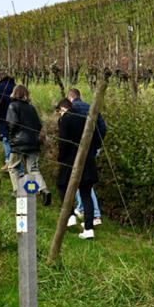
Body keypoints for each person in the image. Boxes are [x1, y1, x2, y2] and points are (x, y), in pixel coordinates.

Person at [56, 98, 97, 239]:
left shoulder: (65, 120)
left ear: (62, 108)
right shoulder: (86, 118)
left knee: (62, 186)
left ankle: (71, 215)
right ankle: (89, 229)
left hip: (70, 161)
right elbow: (96, 138)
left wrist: (60, 157)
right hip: (88, 161)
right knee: (86, 194)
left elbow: (63, 142)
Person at [67, 88, 106, 226]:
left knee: (83, 181)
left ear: (70, 97)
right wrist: (96, 145)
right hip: (92, 149)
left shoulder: (70, 109)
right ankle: (82, 209)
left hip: (77, 150)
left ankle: (95, 215)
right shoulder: (90, 107)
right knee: (84, 181)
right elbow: (103, 127)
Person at [5, 85, 50, 205]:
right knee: (33, 168)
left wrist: (11, 138)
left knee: (12, 166)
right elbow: (39, 125)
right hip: (33, 141)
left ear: (14, 93)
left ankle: (17, 190)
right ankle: (44, 189)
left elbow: (12, 124)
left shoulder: (12, 106)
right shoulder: (32, 108)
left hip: (19, 142)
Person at [0, 72, 21, 173]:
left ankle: (8, 162)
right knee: (14, 140)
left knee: (5, 139)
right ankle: (17, 167)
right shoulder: (16, 87)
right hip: (17, 119)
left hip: (3, 118)